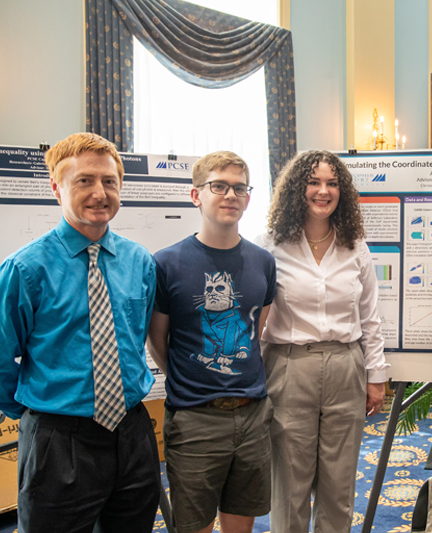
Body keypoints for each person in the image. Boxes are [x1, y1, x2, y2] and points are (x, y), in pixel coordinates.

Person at [0, 132, 161, 532]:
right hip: (59, 437)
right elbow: (1, 357)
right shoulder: (25, 269)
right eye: (84, 180)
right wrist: (38, 417)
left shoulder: (140, 262)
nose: (99, 192)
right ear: (57, 188)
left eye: (109, 181)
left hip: (132, 433)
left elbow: (137, 336)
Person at [255, 150, 388, 533]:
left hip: (346, 366)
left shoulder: (354, 245)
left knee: (339, 481)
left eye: (332, 183)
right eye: (314, 182)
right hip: (288, 366)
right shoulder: (270, 245)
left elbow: (370, 315)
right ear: (298, 189)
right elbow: (256, 316)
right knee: (290, 483)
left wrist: (376, 375)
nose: (323, 191)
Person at [147, 151, 276, 533]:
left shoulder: (262, 262)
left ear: (248, 198)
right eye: (218, 186)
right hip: (195, 420)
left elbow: (257, 331)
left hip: (253, 416)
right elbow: (158, 340)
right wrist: (195, 378)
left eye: (239, 188)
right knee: (194, 526)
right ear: (196, 195)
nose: (230, 195)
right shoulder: (167, 262)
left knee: (242, 523)